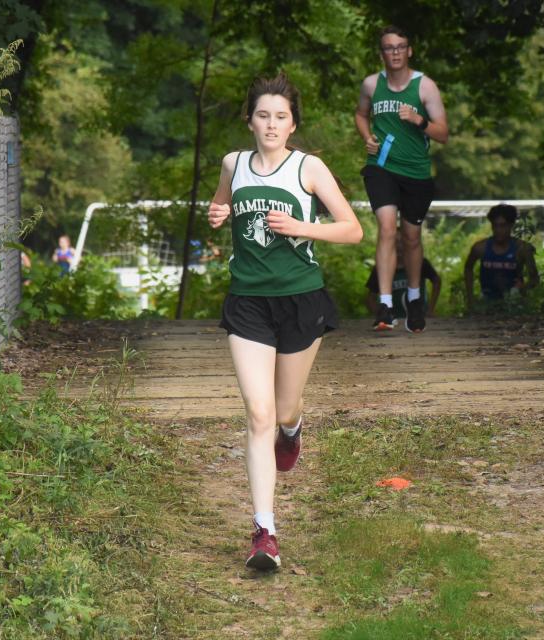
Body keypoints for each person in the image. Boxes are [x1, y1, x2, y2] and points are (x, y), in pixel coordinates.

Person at [207, 74, 363, 571]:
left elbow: (353, 230)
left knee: (284, 409)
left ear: (292, 123)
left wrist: (302, 227)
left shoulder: (308, 168)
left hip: (300, 301)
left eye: (281, 116)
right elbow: (223, 203)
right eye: (262, 115)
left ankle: (292, 429)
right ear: (249, 120)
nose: (271, 124)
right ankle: (264, 532)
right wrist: (218, 212)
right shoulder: (234, 163)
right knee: (257, 412)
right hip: (248, 302)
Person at [355, 25, 449, 333]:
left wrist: (419, 120)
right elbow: (360, 114)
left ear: (409, 51)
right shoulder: (371, 84)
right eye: (388, 47)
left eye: (400, 47)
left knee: (411, 237)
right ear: (381, 53)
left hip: (416, 173)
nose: (394, 52)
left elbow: (443, 134)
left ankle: (414, 298)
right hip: (381, 166)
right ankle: (385, 304)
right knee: (386, 228)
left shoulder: (425, 87)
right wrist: (368, 137)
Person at [463, 204, 540, 307]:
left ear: (511, 225)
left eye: (503, 226)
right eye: (495, 226)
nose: (498, 230)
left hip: (514, 304)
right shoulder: (480, 248)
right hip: (487, 303)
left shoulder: (522, 249)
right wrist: (470, 298)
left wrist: (522, 289)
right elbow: (468, 268)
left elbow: (534, 278)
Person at [365, 232, 441, 322]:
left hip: (418, 318)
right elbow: (370, 298)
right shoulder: (381, 268)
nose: (399, 245)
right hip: (392, 320)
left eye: (402, 242)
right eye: (395, 242)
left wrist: (431, 309)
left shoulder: (420, 263)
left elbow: (436, 281)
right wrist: (380, 314)